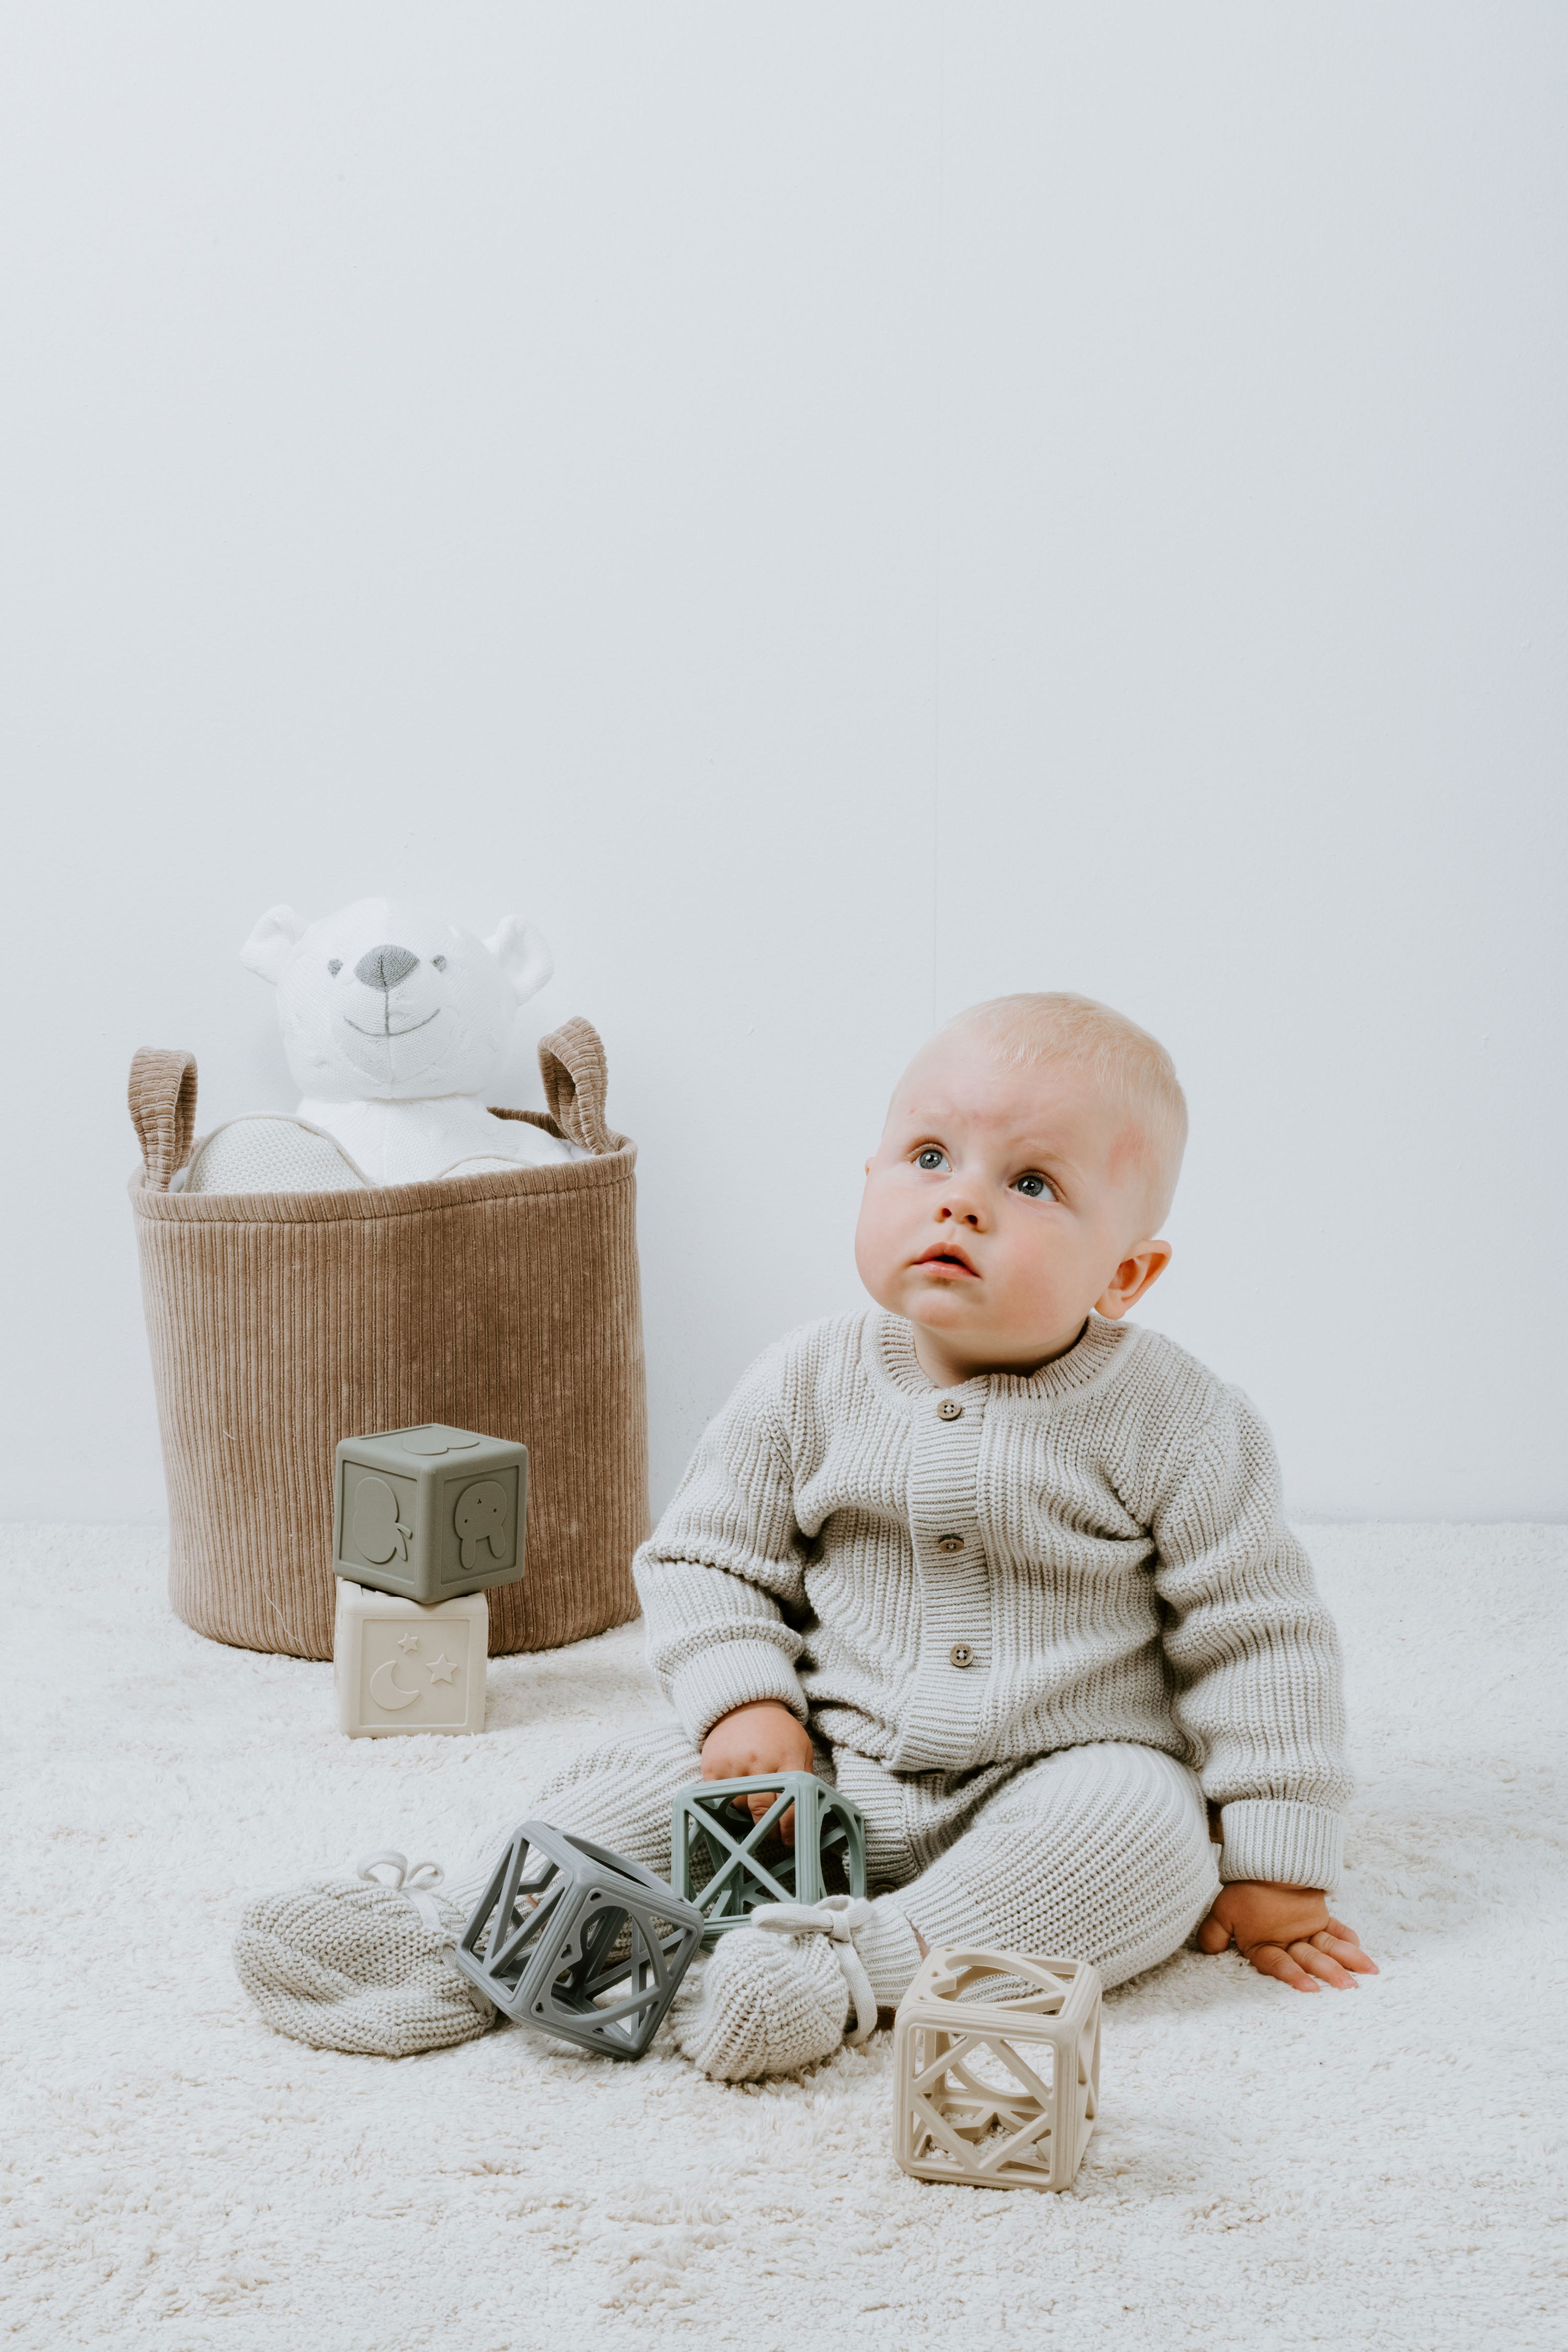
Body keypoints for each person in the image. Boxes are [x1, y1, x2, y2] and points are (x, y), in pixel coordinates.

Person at [237, 991, 1376, 2072]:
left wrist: (1278, 1864)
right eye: (930, 1159)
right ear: (870, 1178)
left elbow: (1260, 1639)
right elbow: (705, 1560)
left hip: (1054, 1772)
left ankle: (850, 1968)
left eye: (1032, 1183)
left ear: (1126, 1273)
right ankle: (479, 1928)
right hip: (818, 1758)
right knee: (634, 1779)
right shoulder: (809, 1381)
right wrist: (746, 1701)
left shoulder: (1178, 1418)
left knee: (1146, 1839)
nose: (961, 1201)